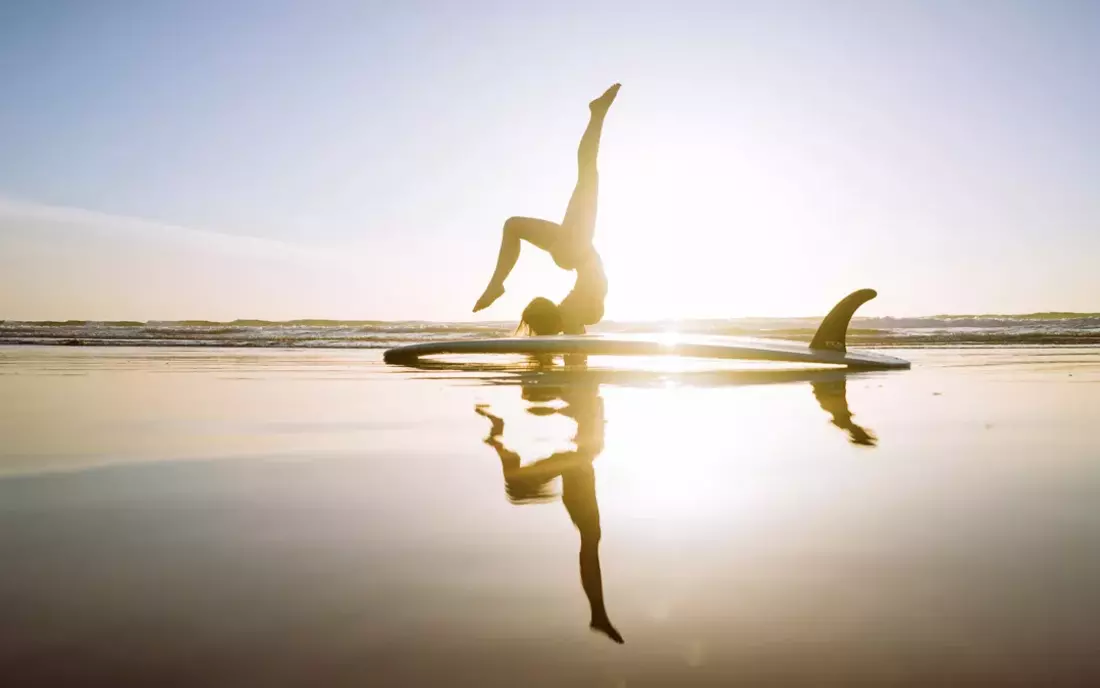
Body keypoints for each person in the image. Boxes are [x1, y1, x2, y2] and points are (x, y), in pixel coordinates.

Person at [474, 380, 623, 644]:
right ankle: (597, 613)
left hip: (575, 466)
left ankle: (597, 613)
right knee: (591, 538)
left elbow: (541, 399)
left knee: (590, 538)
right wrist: (563, 403)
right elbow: (535, 395)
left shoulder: (583, 393)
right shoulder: (580, 391)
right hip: (575, 466)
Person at [473, 83, 620, 335]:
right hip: (577, 251)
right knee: (585, 173)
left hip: (576, 250)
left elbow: (576, 349)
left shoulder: (570, 313)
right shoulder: (571, 314)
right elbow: (576, 347)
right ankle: (597, 114)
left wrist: (575, 367)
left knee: (587, 172)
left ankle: (496, 284)